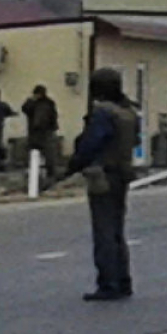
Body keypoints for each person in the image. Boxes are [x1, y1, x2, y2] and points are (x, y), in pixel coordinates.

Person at [65, 68, 139, 302]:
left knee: (104, 230)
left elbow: (92, 143)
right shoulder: (128, 112)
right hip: (122, 173)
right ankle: (123, 279)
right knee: (117, 229)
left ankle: (108, 282)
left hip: (103, 174)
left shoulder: (103, 113)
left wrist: (73, 164)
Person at [22, 85, 60, 181]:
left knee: (46, 155)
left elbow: (53, 116)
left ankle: (48, 174)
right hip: (40, 132)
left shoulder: (47, 103)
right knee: (41, 154)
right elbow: (25, 109)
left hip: (41, 132)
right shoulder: (46, 103)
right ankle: (38, 174)